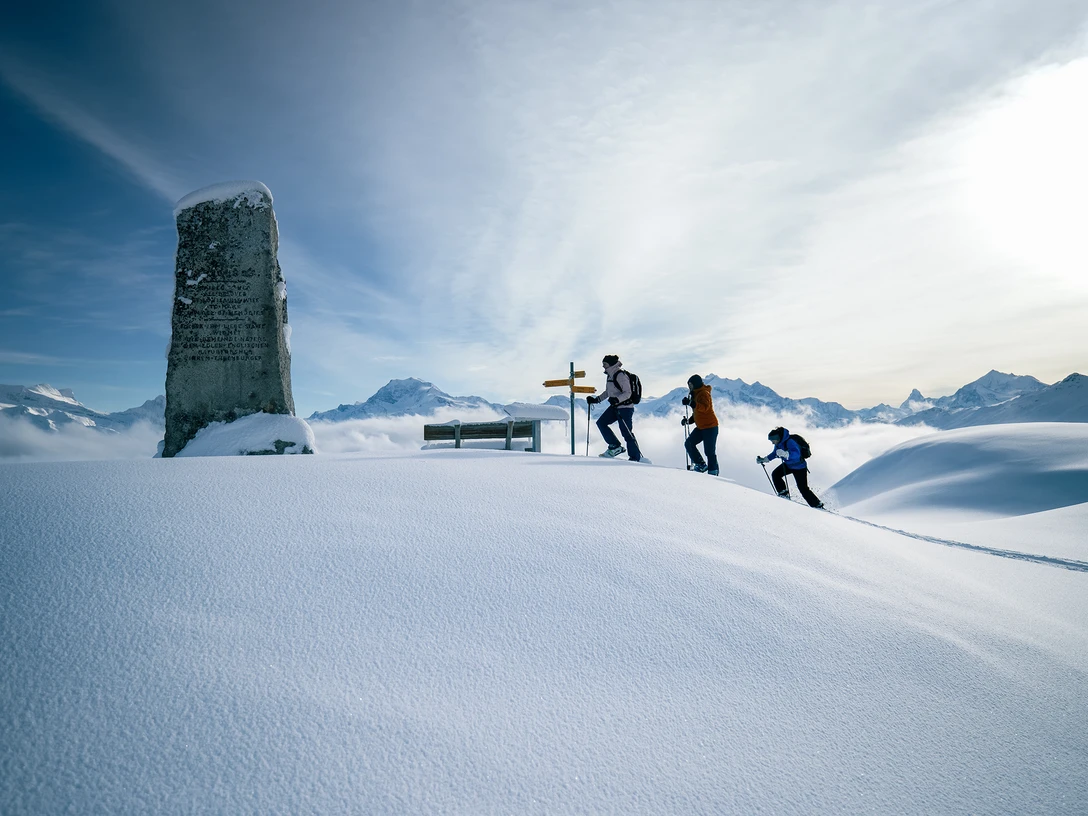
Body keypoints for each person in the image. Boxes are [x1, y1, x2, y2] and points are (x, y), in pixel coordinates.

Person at [586, 354, 645, 462]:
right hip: (615, 406)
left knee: (626, 432)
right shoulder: (610, 375)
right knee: (601, 423)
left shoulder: (620, 375)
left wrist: (617, 400)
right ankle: (615, 446)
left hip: (625, 408)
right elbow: (608, 392)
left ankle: (635, 458)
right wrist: (596, 400)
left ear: (611, 364)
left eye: (605, 364)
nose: (603, 366)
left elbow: (627, 393)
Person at [757, 427, 823, 508]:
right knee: (775, 474)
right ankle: (783, 493)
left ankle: (817, 504)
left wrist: (786, 454)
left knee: (803, 488)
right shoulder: (779, 443)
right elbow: (775, 453)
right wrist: (764, 459)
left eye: (772, 440)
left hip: (800, 467)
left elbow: (797, 454)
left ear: (777, 438)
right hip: (789, 465)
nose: (772, 443)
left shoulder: (790, 442)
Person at [680, 374, 718, 475]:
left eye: (691, 385)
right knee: (689, 443)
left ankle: (713, 472)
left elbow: (705, 408)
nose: (690, 387)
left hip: (710, 427)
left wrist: (691, 403)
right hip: (702, 427)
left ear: (695, 384)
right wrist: (688, 421)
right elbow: (697, 413)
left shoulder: (704, 393)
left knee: (709, 451)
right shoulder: (696, 394)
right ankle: (701, 464)